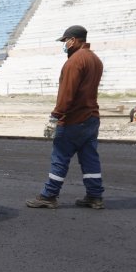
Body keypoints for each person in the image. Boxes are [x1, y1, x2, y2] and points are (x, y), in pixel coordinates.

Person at [26, 25, 105, 210]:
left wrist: (55, 116)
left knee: (60, 157)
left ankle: (49, 195)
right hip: (91, 118)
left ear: (75, 40)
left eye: (65, 41)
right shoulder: (95, 59)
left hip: (73, 120)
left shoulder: (74, 62)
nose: (64, 44)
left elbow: (67, 94)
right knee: (90, 158)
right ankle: (95, 196)